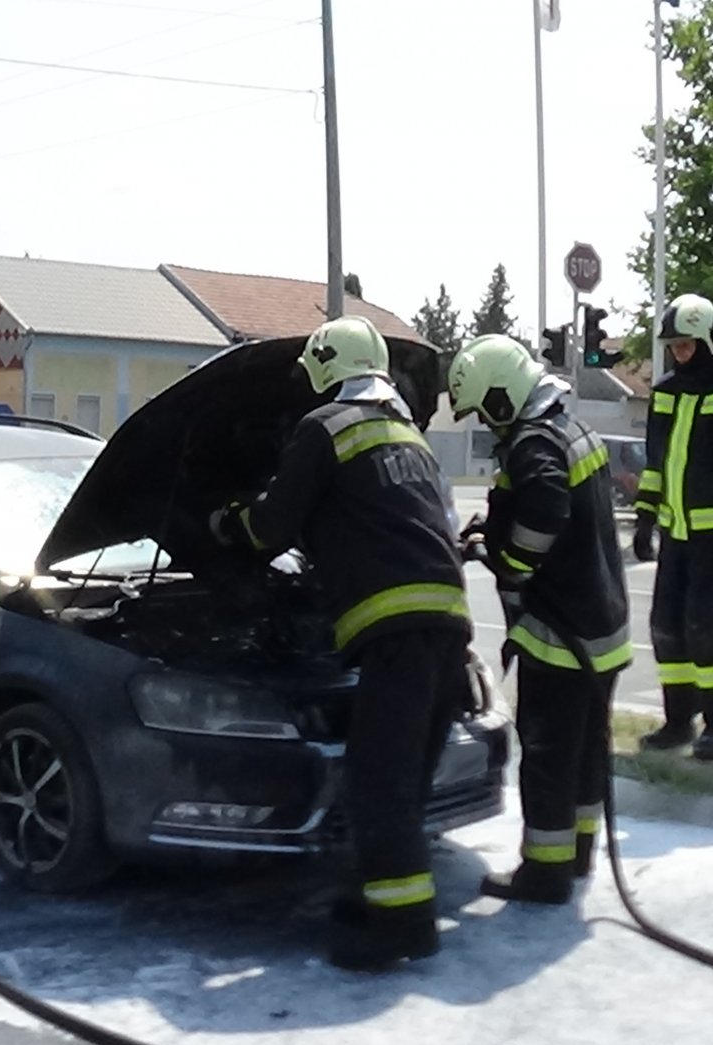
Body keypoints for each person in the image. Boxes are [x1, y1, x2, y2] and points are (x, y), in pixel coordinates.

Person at [208, 316, 471, 970]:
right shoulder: (409, 433)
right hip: (448, 628)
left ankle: (403, 928)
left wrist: (222, 523)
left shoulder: (324, 428)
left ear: (325, 367)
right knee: (403, 784)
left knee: (377, 783)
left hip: (396, 632)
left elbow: (272, 526)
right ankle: (386, 904)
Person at [448, 335, 629, 901]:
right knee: (587, 751)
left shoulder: (533, 442)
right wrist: (494, 530)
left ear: (502, 396)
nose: (484, 420)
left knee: (549, 754)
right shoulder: (570, 429)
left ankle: (544, 871)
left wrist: (511, 563)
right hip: (602, 627)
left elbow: (547, 506)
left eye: (483, 408)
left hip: (560, 635)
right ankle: (577, 854)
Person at [633, 293, 713, 759]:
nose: (680, 353)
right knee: (667, 627)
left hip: (710, 538)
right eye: (674, 346)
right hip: (674, 535)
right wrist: (645, 519)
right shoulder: (664, 392)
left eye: (687, 345)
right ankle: (678, 721)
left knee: (706, 629)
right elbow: (655, 461)